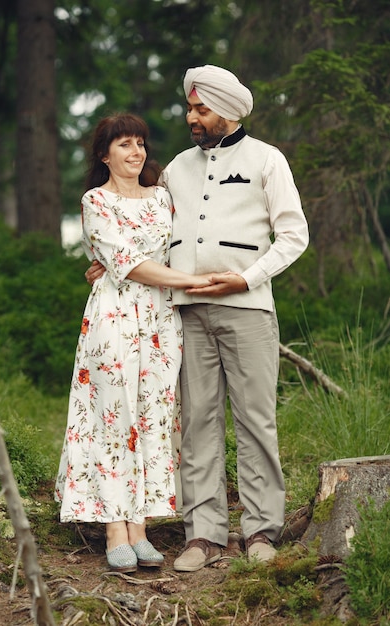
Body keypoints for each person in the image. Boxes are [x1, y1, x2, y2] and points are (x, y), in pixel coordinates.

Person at [86, 65, 309, 572]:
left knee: (256, 421)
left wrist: (249, 277)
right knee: (197, 424)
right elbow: (148, 230)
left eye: (201, 110)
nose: (192, 117)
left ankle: (259, 531)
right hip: (182, 314)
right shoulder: (175, 170)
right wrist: (106, 260)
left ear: (226, 112)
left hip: (248, 308)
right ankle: (203, 535)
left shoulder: (267, 160)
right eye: (190, 108)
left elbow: (294, 235)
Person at [54, 113, 218, 574]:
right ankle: (113, 528)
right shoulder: (95, 200)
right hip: (114, 316)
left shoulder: (162, 197)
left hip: (162, 319)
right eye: (124, 144)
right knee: (112, 415)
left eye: (140, 143)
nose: (136, 152)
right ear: (104, 154)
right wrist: (192, 280)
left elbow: (180, 244)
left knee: (152, 414)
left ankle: (141, 526)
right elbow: (127, 262)